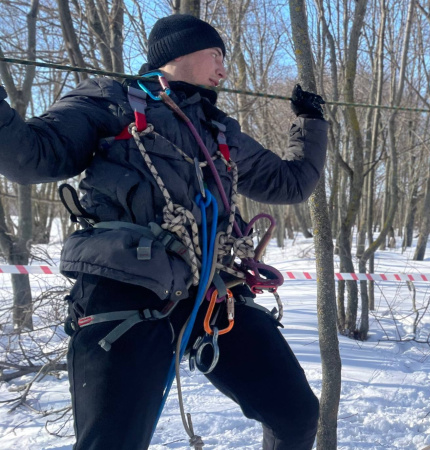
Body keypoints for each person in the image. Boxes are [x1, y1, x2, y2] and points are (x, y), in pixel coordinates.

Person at [0, 14, 327, 450]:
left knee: (297, 413)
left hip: (209, 295)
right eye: (216, 55)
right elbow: (30, 156)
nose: (224, 70)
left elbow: (291, 184)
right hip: (124, 289)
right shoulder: (109, 101)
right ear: (180, 52)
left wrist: (310, 122)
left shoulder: (219, 131)